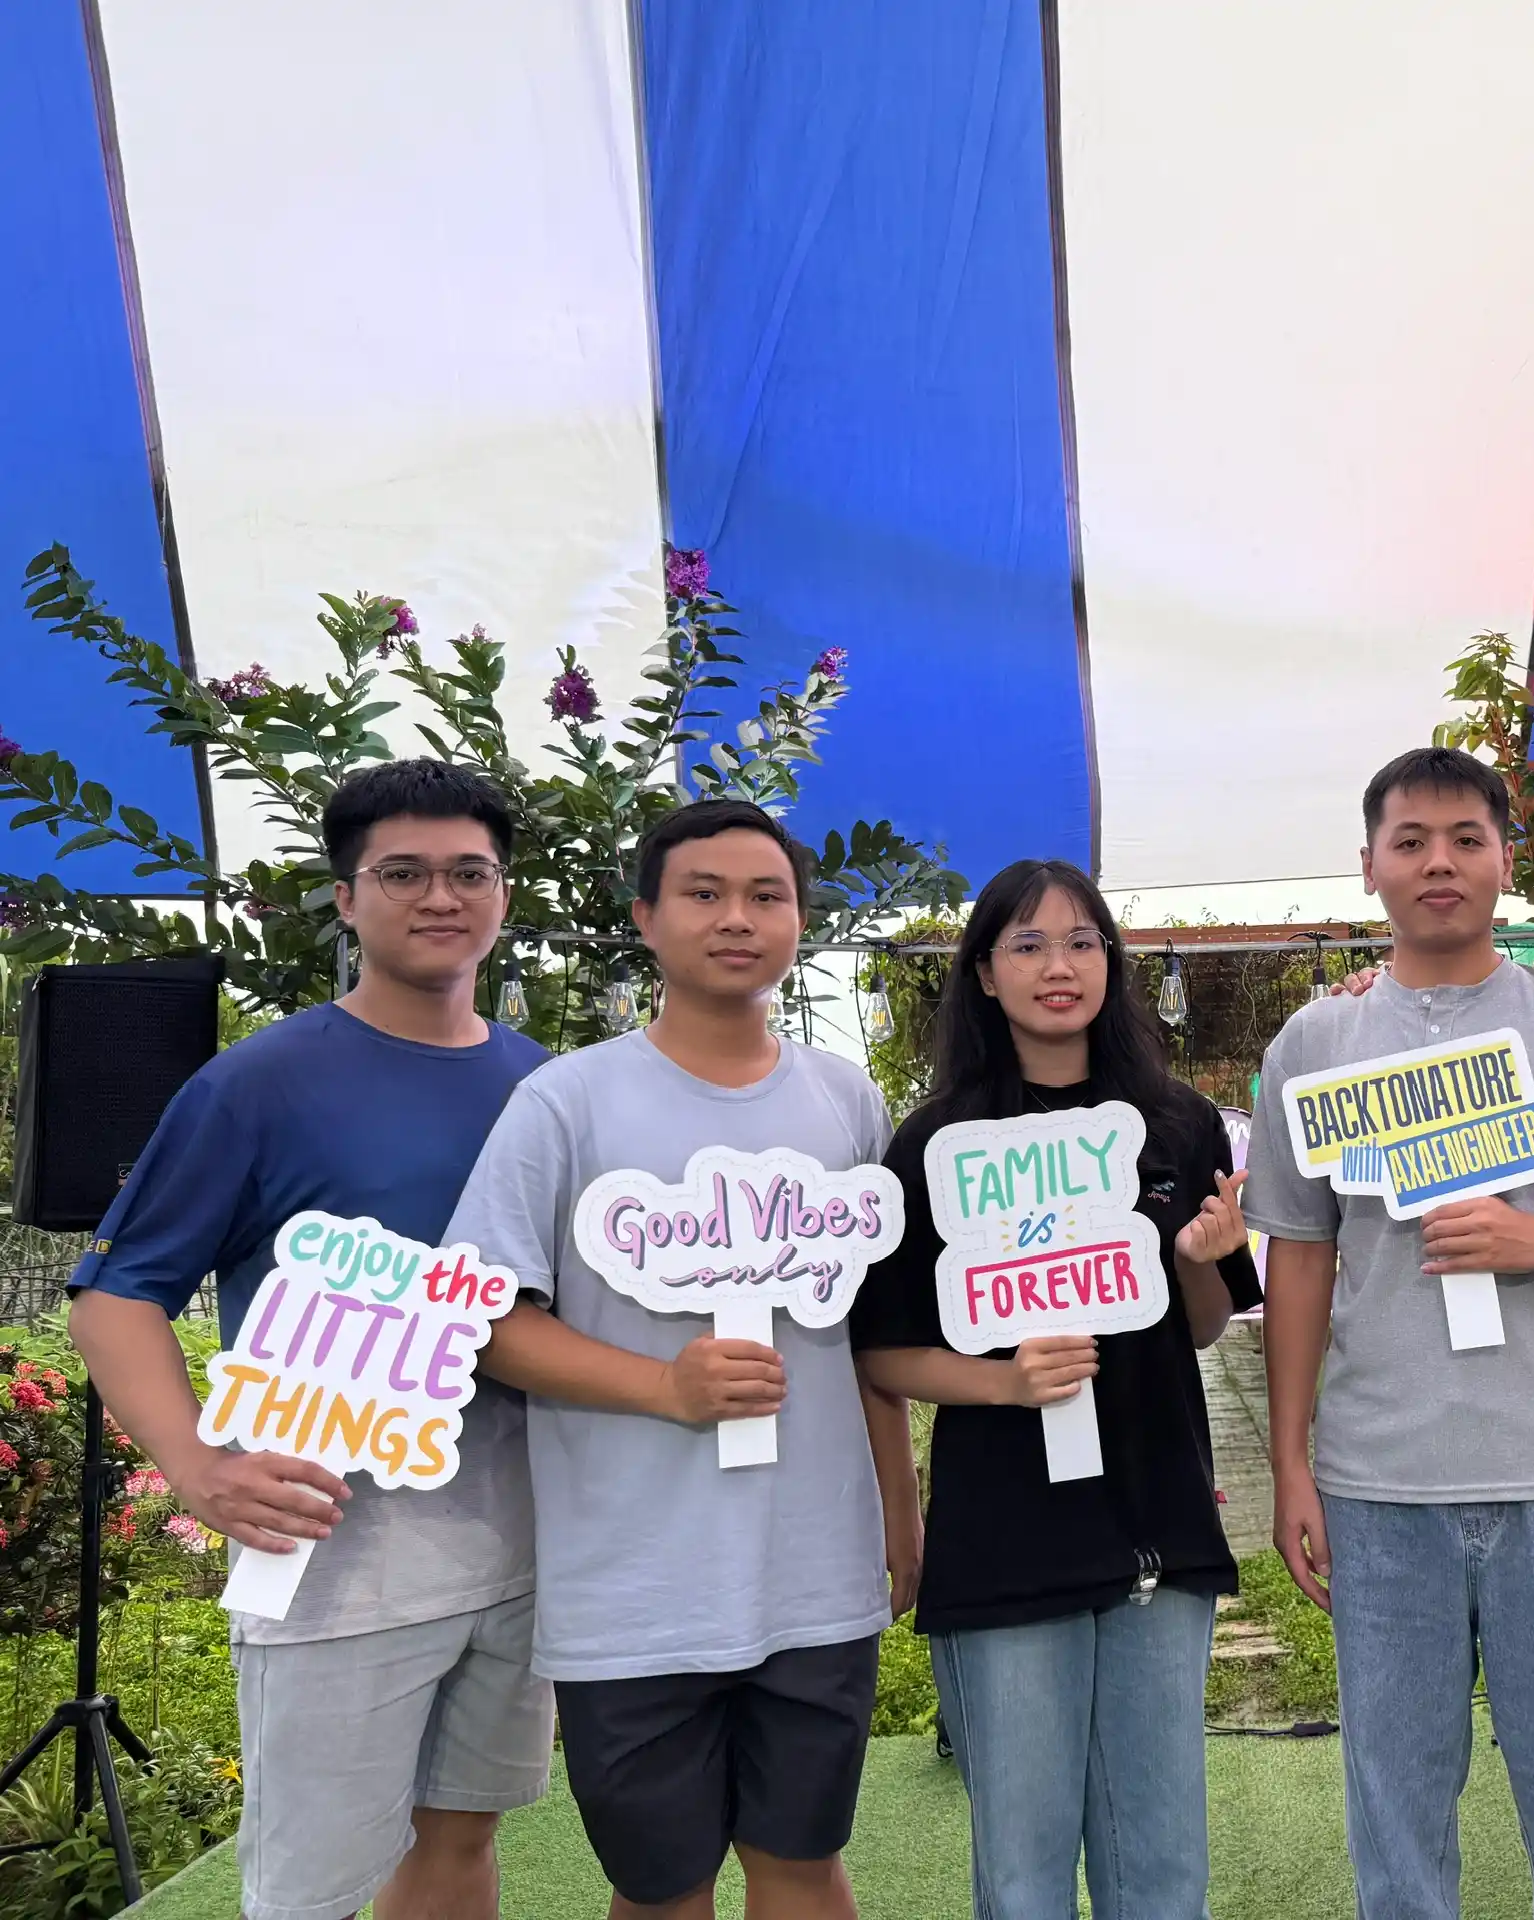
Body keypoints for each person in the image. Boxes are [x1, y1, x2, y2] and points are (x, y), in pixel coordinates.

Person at [67, 759, 550, 1920]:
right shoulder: (257, 1085)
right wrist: (195, 1466)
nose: (441, 897)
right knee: (310, 1888)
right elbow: (115, 1294)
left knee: (462, 1842)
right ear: (345, 898)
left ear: (502, 893)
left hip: (524, 1544)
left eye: (468, 873)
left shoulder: (543, 1087)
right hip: (333, 1557)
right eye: (403, 873)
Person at [449, 798, 919, 1920]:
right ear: (646, 919)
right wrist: (664, 1387)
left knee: (803, 1862)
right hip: (634, 1588)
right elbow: (483, 1317)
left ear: (801, 920)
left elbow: (870, 1339)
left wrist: (900, 1514)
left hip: (815, 1572)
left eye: (767, 896)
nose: (737, 919)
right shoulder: (567, 1100)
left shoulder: (845, 1100)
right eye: (703, 894)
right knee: (662, 1886)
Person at [1248, 746, 1534, 1919]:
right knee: (1396, 1808)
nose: (1437, 863)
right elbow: (1297, 1257)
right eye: (1409, 841)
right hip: (1381, 1480)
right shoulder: (1314, 1045)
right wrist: (1291, 1461)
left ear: (1507, 857)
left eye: (1463, 838)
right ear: (1368, 866)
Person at [849, 859, 1261, 1918]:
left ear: (1111, 962)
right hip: (1005, 1534)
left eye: (1081, 942)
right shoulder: (934, 1143)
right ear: (984, 975)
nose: (1058, 967)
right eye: (1026, 945)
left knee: (1161, 1859)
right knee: (1023, 1866)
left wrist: (1199, 1257)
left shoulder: (1176, 1123)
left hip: (1155, 1519)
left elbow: (1206, 1324)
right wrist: (1003, 1384)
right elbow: (881, 1350)